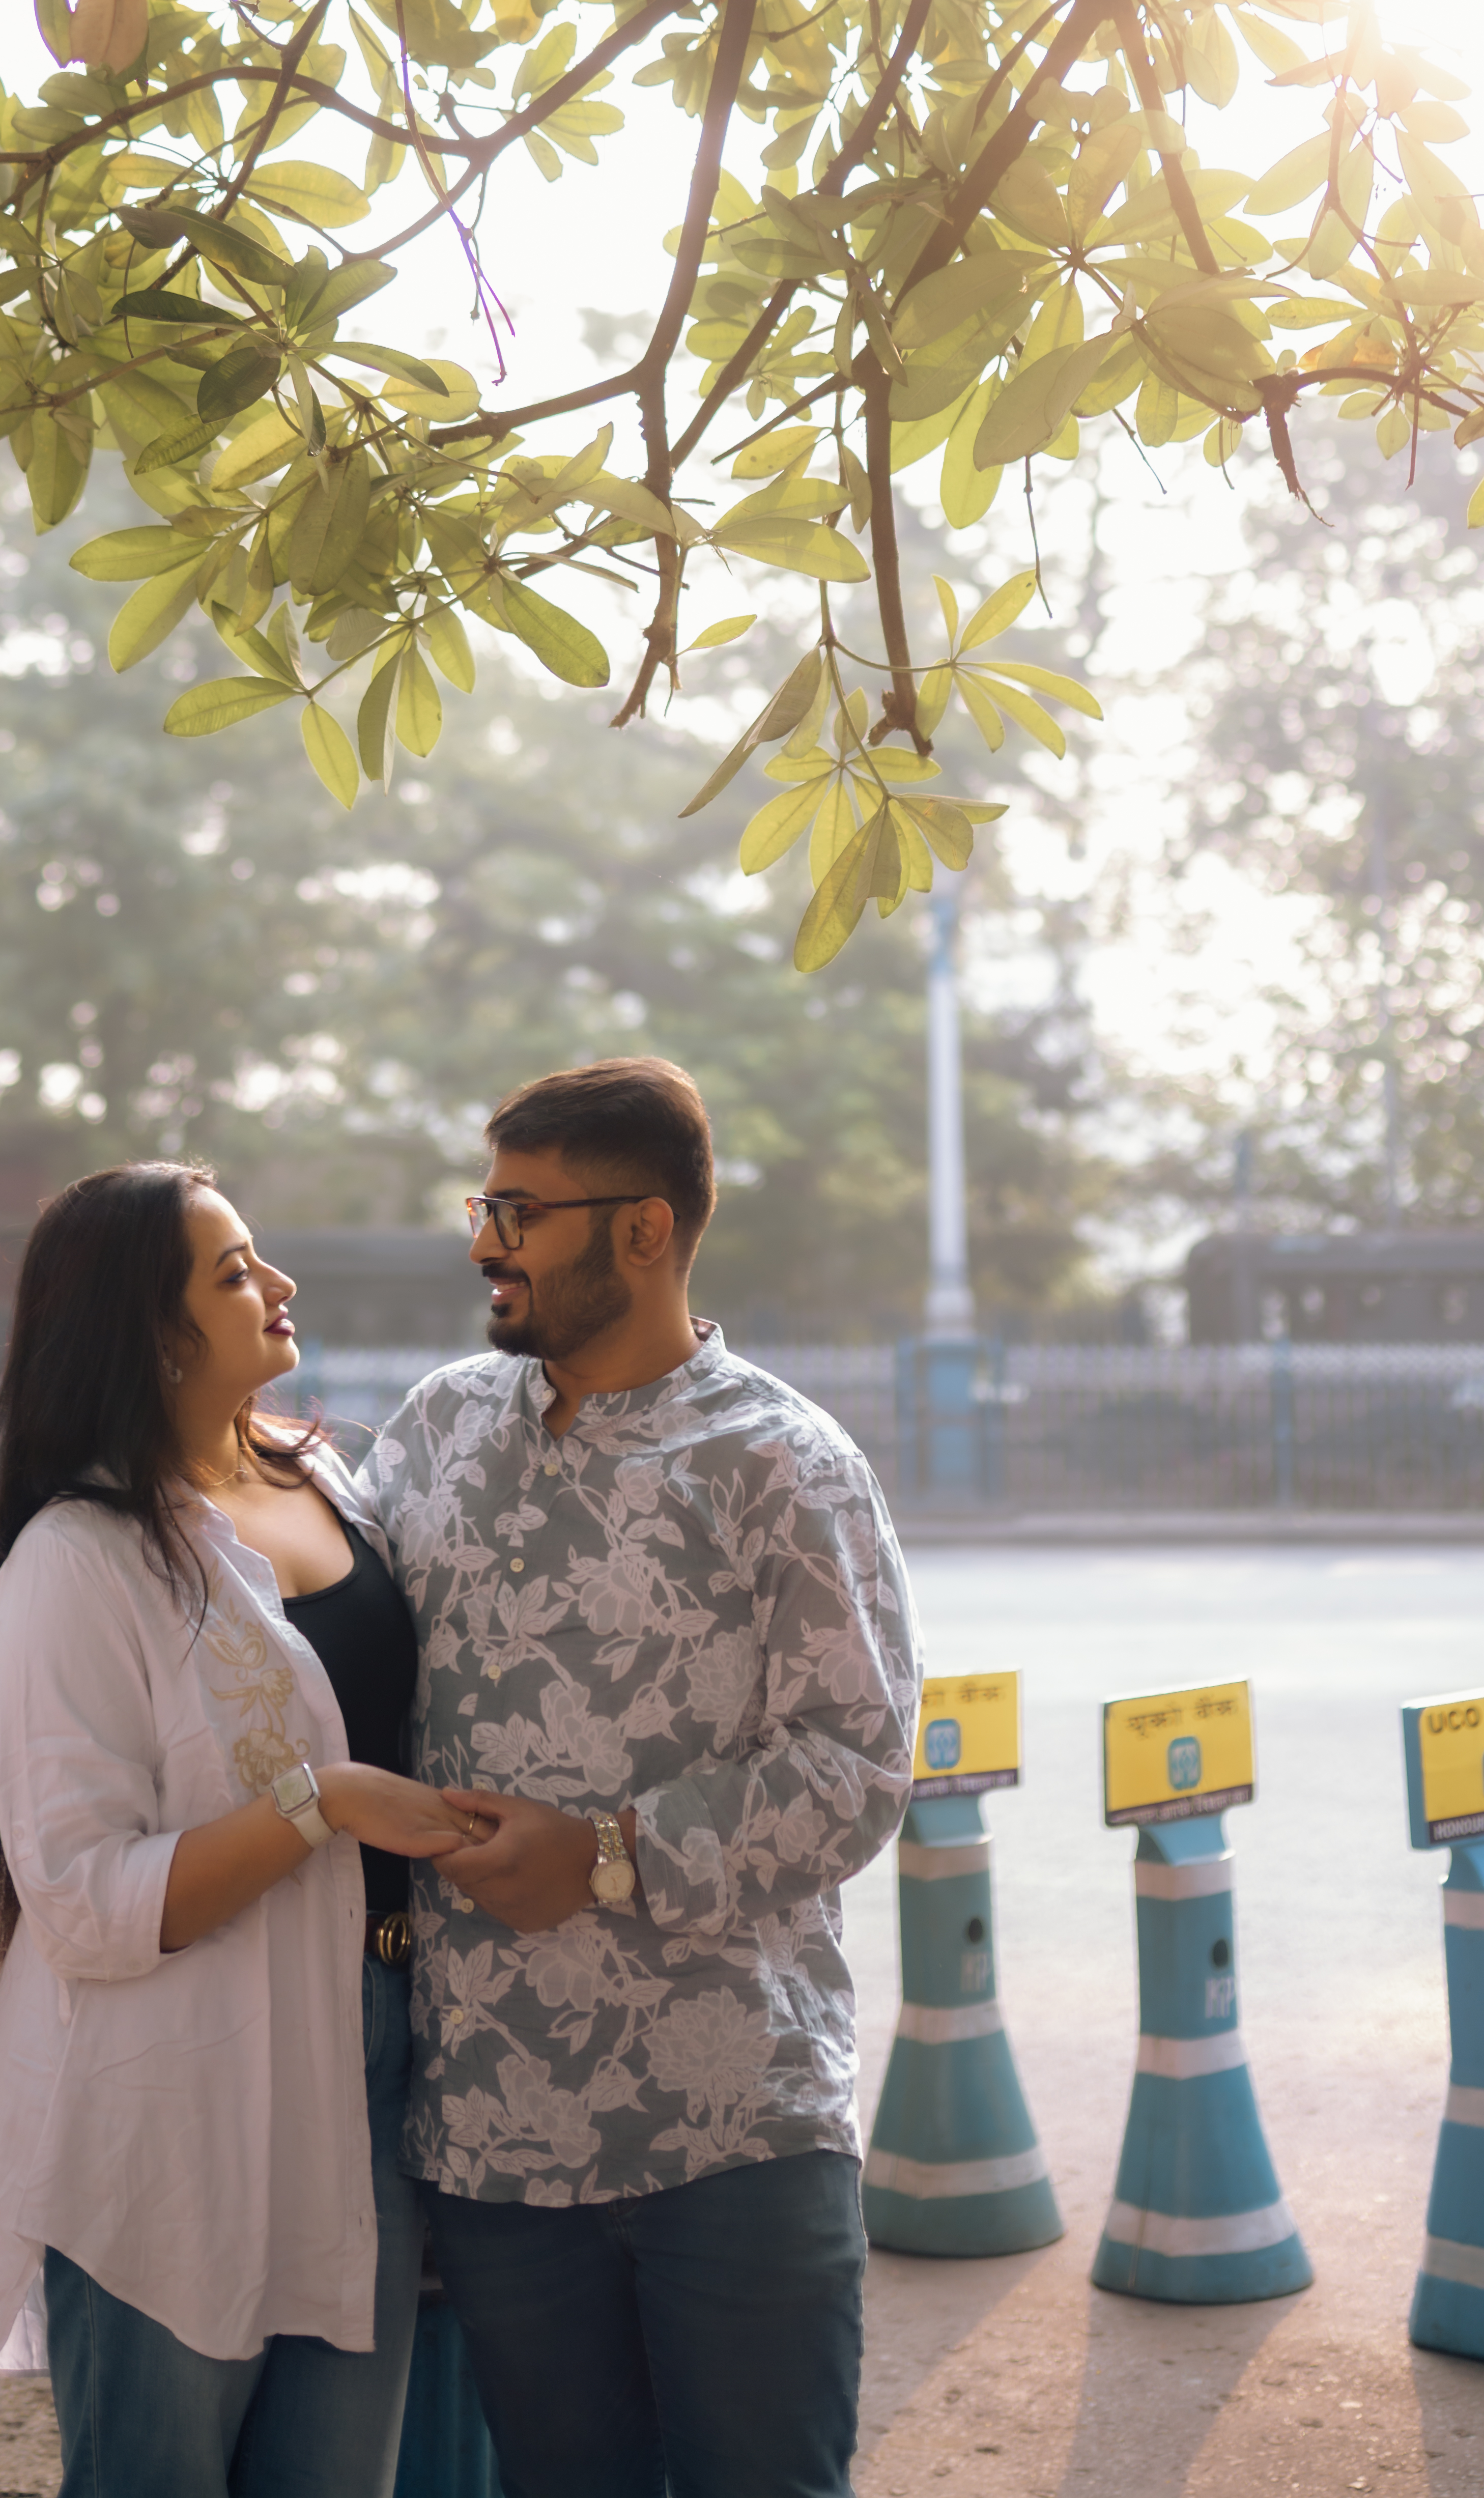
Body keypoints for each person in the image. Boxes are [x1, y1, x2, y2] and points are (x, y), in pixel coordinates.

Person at [357, 1055, 923, 2498]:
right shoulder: (433, 1430)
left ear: (645, 1229)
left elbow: (857, 1763)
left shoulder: (785, 1466)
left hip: (731, 2123)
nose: (485, 1239)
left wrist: (607, 1852)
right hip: (493, 2136)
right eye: (485, 1202)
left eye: (523, 1210)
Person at [0, 1157, 482, 2498]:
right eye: (234, 1273)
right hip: (173, 2102)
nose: (279, 1286)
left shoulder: (324, 1482)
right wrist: (326, 1804)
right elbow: (83, 1901)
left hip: (368, 2056)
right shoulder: (80, 1558)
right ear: (150, 1330)